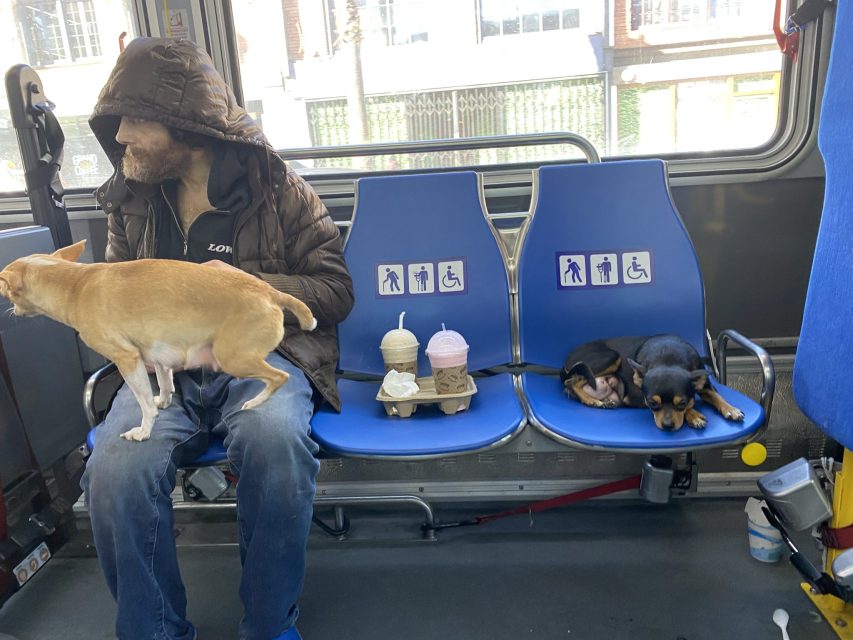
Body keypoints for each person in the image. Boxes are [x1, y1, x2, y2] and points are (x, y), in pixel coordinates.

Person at [81, 37, 354, 640]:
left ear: (188, 126)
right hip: (161, 374)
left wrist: (250, 286)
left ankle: (268, 624)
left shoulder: (280, 192)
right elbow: (108, 297)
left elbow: (335, 291)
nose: (121, 135)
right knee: (114, 469)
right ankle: (153, 631)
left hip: (257, 359)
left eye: (136, 119)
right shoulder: (130, 203)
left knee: (275, 438)